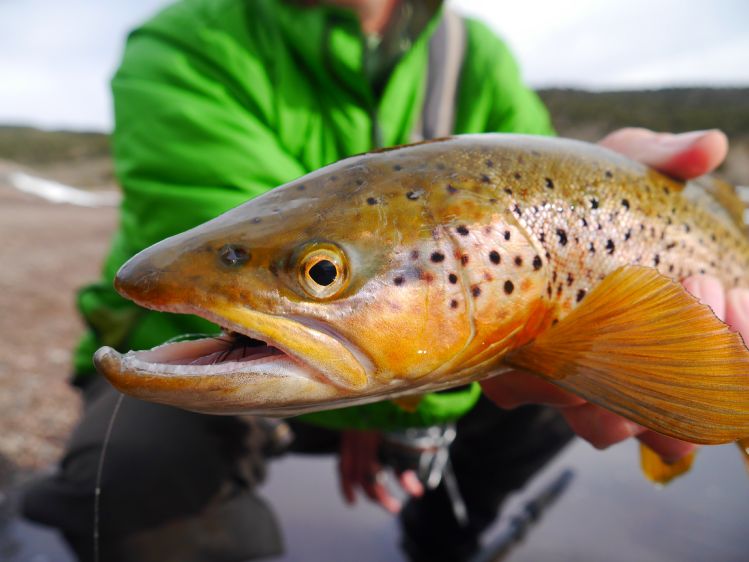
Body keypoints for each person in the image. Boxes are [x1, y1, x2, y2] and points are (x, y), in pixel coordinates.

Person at [20, 0, 741, 561]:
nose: (322, 274)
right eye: (323, 273)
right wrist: (387, 406)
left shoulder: (474, 53)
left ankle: (443, 541)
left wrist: (626, 174)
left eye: (322, 273)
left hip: (395, 360)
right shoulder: (184, 44)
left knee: (553, 397)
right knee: (134, 480)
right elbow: (204, 255)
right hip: (217, 351)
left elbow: (536, 177)